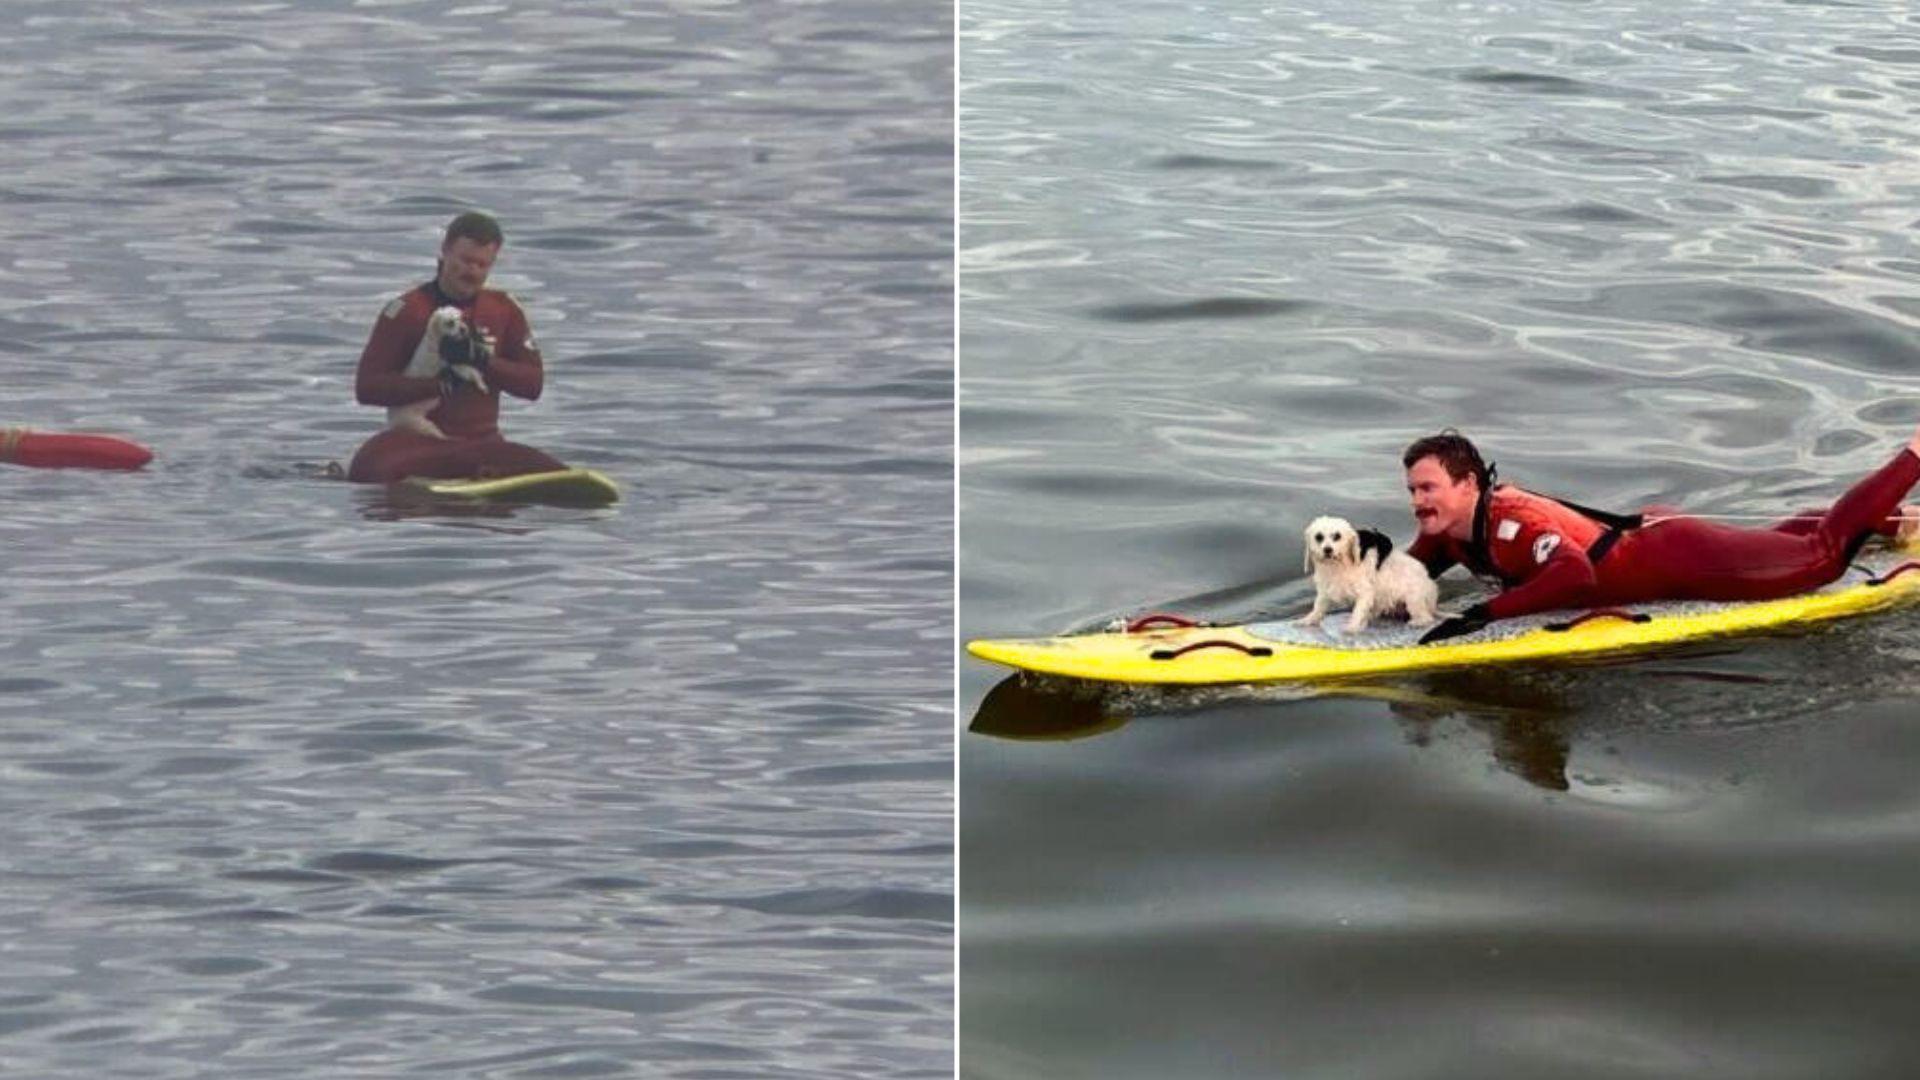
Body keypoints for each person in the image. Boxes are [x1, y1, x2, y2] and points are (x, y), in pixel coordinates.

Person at [1403, 426, 1920, 643]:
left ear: (1468, 484)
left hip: (1679, 560)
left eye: (1428, 488)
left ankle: (1913, 454)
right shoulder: (1446, 532)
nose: (1418, 501)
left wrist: (1483, 615)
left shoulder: (1514, 523)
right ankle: (1894, 522)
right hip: (1651, 539)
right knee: (1775, 545)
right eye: (1412, 490)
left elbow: (1575, 576)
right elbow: (1404, 576)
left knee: (1822, 555)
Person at [346, 211, 567, 484]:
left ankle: (481, 472)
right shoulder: (406, 311)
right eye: (464, 260)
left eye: (482, 265)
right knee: (367, 466)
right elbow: (367, 388)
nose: (471, 271)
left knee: (544, 469)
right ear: (446, 251)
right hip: (419, 444)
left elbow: (532, 386)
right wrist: (440, 385)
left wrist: (482, 361)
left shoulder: (504, 310)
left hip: (483, 445)